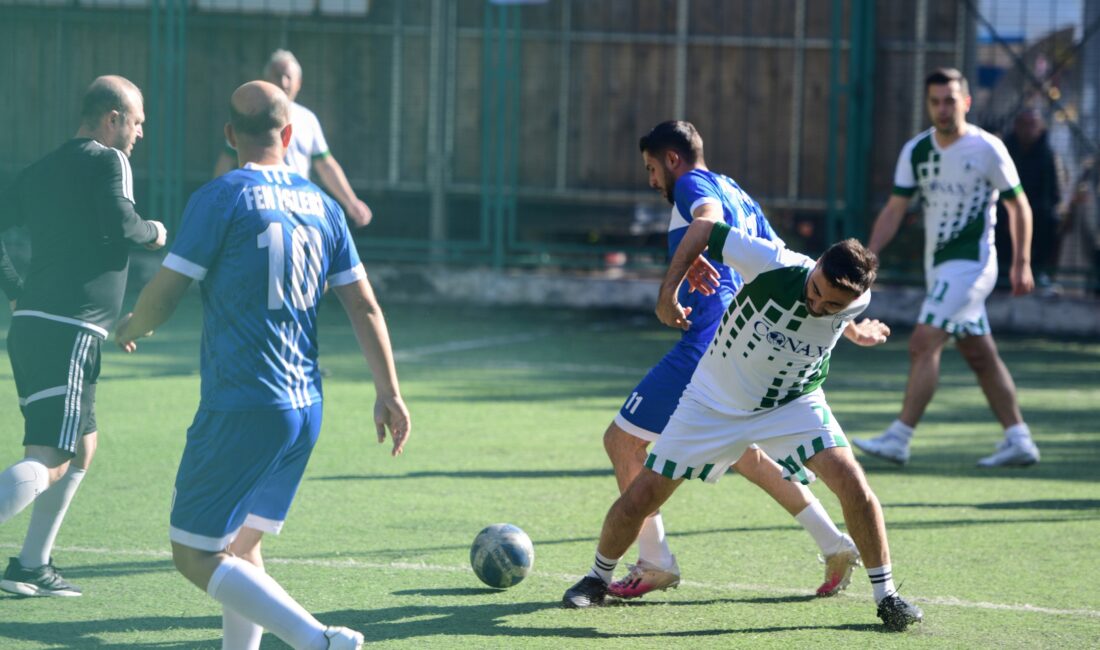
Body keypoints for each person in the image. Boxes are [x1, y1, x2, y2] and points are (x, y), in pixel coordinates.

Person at [116, 80, 410, 650]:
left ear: (229, 135)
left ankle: (317, 640)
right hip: (305, 406)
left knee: (194, 552)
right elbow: (364, 304)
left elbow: (168, 291)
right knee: (243, 548)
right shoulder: (324, 206)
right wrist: (389, 391)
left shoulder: (221, 196)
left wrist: (132, 325)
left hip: (243, 401)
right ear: (290, 133)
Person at [562, 219, 923, 632]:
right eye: (817, 291)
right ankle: (596, 578)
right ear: (817, 264)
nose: (818, 305)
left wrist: (856, 332)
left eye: (833, 306)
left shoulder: (853, 299)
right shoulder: (773, 263)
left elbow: (843, 317)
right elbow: (700, 228)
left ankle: (888, 597)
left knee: (853, 483)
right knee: (642, 493)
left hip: (793, 401)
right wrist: (669, 291)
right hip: (712, 401)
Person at [602, 121, 859, 602]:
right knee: (745, 452)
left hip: (708, 343)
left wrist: (671, 287)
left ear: (673, 160)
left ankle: (654, 561)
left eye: (652, 168)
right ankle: (834, 542)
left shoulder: (694, 186)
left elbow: (705, 216)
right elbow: (780, 259)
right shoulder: (736, 189)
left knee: (623, 442)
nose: (652, 180)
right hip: (746, 345)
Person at [0, 75, 167, 597]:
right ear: (113, 117)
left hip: (38, 327)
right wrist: (155, 232)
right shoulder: (107, 159)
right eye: (137, 121)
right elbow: (121, 224)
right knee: (51, 456)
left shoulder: (45, 166)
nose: (141, 132)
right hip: (67, 331)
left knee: (81, 447)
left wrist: (13, 289)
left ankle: (32, 565)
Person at [853, 68, 1040, 468]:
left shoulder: (987, 148)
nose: (942, 108)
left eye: (950, 100)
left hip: (972, 265)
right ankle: (1019, 438)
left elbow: (1017, 204)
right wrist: (868, 255)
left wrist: (1022, 261)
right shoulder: (916, 150)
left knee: (923, 341)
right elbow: (895, 208)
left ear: (966, 102)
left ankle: (900, 437)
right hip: (938, 268)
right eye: (935, 101)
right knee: (978, 353)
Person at [214, 49, 373, 228]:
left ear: (299, 83)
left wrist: (351, 202)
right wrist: (215, 200)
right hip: (260, 203)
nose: (283, 82)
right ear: (266, 80)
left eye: (288, 76)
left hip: (298, 203)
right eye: (277, 75)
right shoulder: (253, 115)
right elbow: (227, 159)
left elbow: (326, 165)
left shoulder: (307, 119)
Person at [995, 108, 1063, 288]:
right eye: (1023, 124)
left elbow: (1053, 194)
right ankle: (999, 275)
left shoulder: (1048, 155)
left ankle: (1040, 273)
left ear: (1040, 127)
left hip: (1038, 217)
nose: (1027, 130)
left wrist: (1030, 216)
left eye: (1032, 125)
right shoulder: (1004, 151)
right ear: (1016, 126)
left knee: (1052, 221)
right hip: (1005, 215)